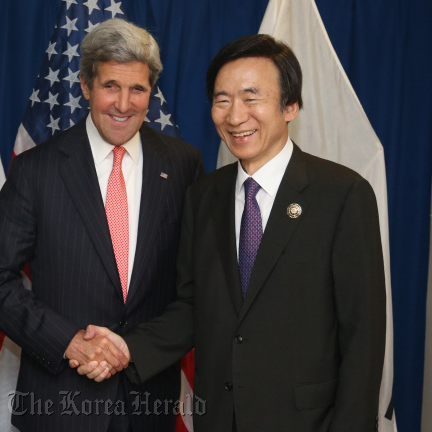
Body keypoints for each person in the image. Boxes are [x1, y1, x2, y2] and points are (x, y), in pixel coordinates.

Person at [82, 34, 387, 431]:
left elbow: (363, 338)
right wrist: (128, 348)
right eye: (222, 100)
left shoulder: (342, 195)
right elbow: (194, 307)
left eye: (250, 98)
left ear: (290, 105)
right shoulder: (204, 195)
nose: (235, 115)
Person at [0, 18, 204, 432]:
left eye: (138, 89)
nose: (124, 103)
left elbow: (198, 286)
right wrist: (68, 342)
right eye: (111, 86)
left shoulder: (183, 165)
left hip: (148, 403)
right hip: (60, 404)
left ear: (152, 91)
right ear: (85, 86)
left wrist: (134, 350)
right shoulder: (37, 170)